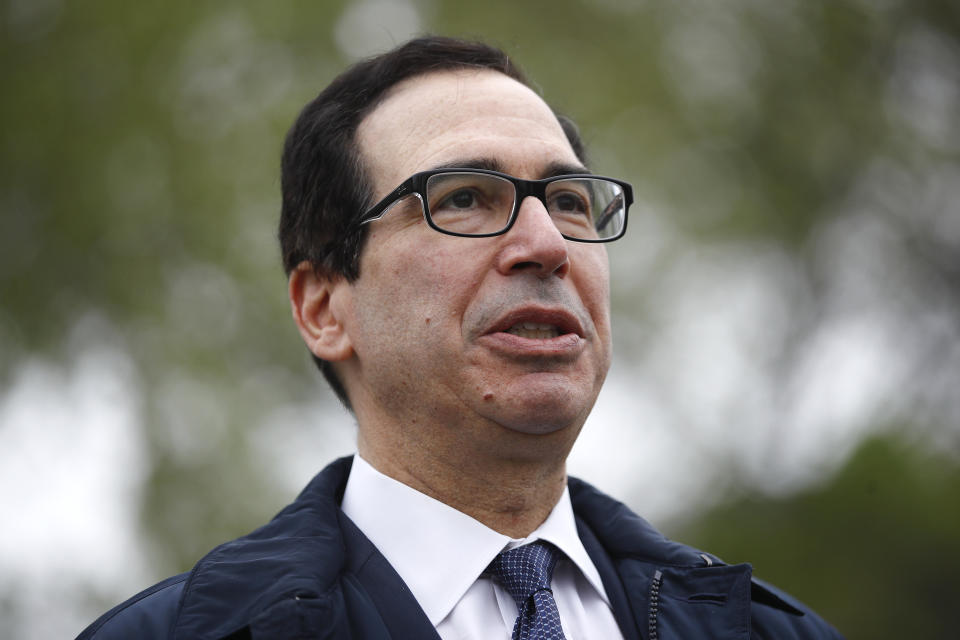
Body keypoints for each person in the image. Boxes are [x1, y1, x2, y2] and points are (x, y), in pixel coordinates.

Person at [77, 36, 843, 639]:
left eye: (571, 200)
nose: (546, 244)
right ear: (322, 308)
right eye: (467, 198)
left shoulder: (776, 631)